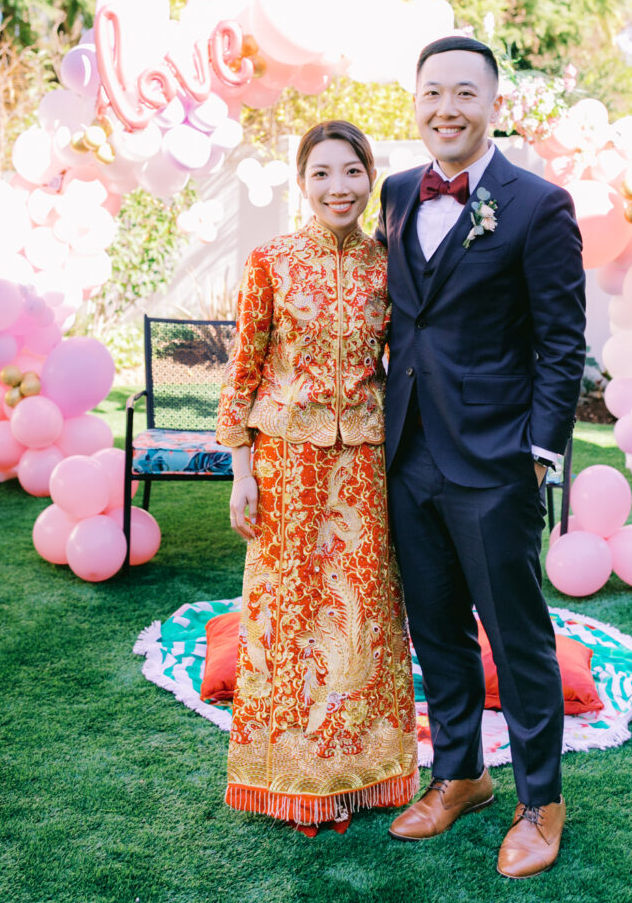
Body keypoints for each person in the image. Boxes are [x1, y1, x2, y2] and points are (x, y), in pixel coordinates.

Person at [376, 36, 586, 877]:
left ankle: (541, 802)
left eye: (465, 92)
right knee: (436, 630)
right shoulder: (396, 193)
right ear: (416, 101)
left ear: (494, 104)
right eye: (433, 92)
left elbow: (562, 344)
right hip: (408, 455)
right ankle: (460, 774)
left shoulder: (539, 205)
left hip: (497, 463)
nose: (447, 108)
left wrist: (537, 455)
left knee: (518, 639)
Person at [216, 120, 418, 835]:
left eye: (352, 171)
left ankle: (356, 774)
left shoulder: (389, 266)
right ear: (302, 181)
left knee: (361, 618)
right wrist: (242, 471)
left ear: (371, 177)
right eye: (323, 173)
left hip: (363, 466)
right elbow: (242, 369)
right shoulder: (270, 261)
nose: (339, 187)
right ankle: (291, 778)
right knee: (289, 616)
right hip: (285, 465)